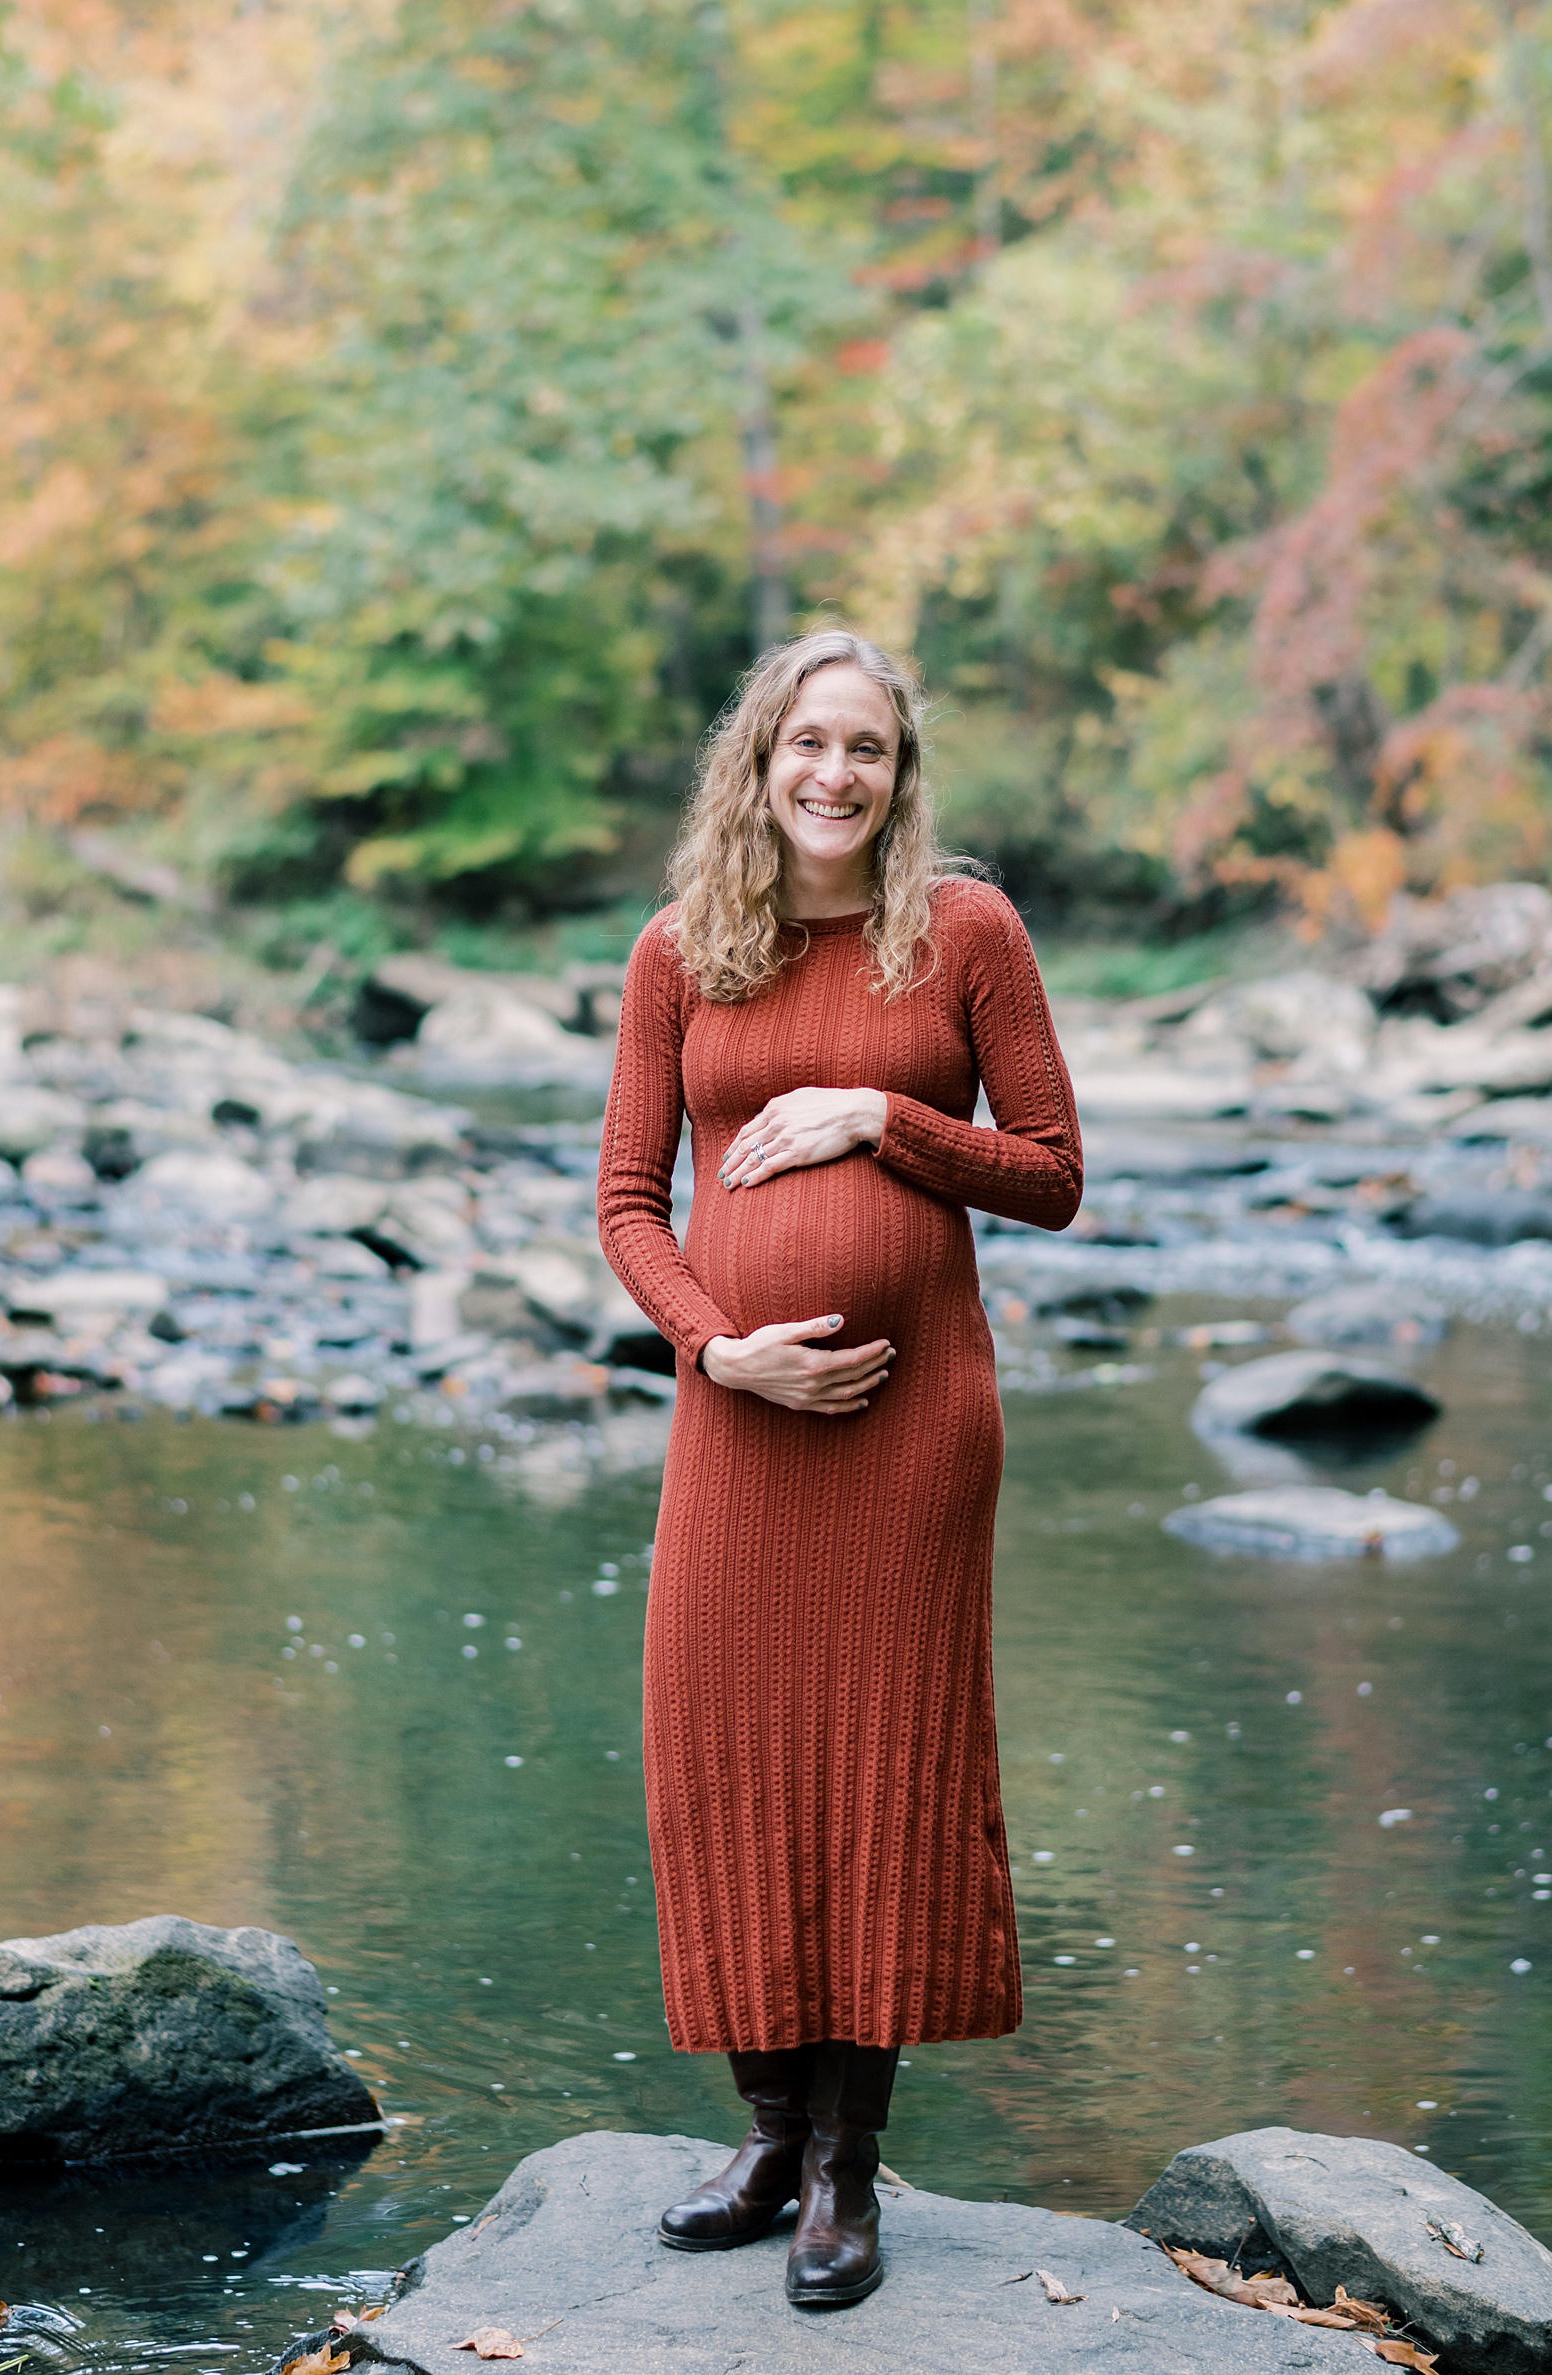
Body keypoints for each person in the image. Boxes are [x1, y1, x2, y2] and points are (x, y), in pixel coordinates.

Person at [597, 626, 1082, 2309]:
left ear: (900, 773)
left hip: (912, 1432)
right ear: (759, 757)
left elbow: (1053, 1173)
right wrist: (717, 1350)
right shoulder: (683, 948)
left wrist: (884, 1116)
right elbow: (626, 1207)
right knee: (719, 1753)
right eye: (809, 743)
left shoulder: (963, 932)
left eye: (866, 749)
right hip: (736, 1423)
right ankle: (765, 2128)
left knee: (882, 1772)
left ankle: (847, 2173)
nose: (834, 774)